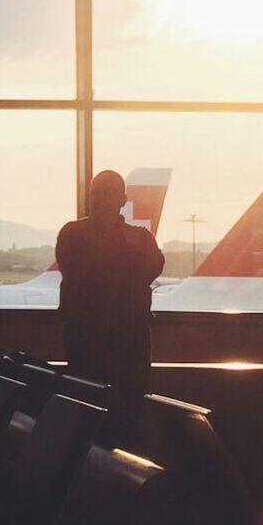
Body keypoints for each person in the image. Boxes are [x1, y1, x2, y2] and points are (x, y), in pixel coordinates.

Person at [55, 170, 166, 435]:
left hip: (94, 340)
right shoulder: (139, 240)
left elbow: (80, 274)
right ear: (124, 200)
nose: (102, 200)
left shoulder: (73, 235)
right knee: (124, 416)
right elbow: (149, 269)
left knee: (89, 417)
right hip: (123, 341)